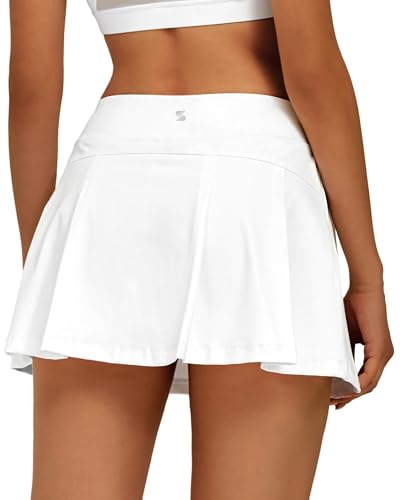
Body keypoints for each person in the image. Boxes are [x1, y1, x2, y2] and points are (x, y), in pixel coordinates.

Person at [4, 0, 394, 499]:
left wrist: (46, 269)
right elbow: (313, 70)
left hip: (108, 177)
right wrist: (367, 278)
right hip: (255, 178)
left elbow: (31, 87)